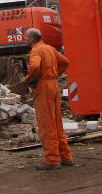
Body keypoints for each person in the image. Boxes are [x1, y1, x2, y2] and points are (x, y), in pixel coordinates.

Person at [23, 27, 73, 170]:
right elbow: (65, 63)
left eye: (26, 37)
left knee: (46, 124)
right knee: (57, 122)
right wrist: (54, 74)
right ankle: (66, 156)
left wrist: (29, 78)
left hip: (43, 87)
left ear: (32, 39)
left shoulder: (36, 51)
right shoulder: (49, 48)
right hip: (53, 86)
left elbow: (35, 66)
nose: (24, 39)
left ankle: (52, 159)